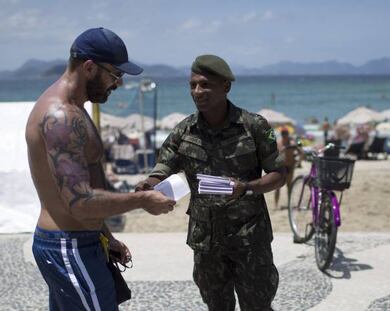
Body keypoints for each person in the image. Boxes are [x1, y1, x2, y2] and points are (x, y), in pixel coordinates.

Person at [26, 27, 176, 310]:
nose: (118, 83)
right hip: (69, 246)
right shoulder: (61, 117)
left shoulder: (73, 108)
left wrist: (105, 235)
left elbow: (82, 188)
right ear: (90, 67)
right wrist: (143, 200)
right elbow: (80, 203)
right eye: (115, 74)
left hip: (77, 241)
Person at [136, 55, 286, 310]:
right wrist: (150, 184)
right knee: (216, 306)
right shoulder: (184, 130)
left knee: (258, 305)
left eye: (205, 85)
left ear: (225, 86)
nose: (197, 91)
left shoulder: (254, 126)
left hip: (250, 237)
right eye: (193, 85)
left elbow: (278, 174)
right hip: (206, 242)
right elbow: (164, 165)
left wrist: (247, 187)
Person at [274, 127, 303, 209]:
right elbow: (275, 156)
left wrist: (298, 162)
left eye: (285, 133)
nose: (284, 135)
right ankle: (276, 205)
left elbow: (301, 152)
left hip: (290, 166)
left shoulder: (292, 143)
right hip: (281, 167)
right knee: (277, 186)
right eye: (283, 133)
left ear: (288, 134)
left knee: (289, 185)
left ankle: (289, 204)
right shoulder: (279, 143)